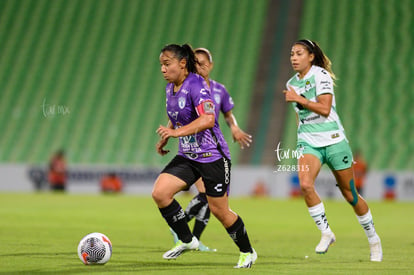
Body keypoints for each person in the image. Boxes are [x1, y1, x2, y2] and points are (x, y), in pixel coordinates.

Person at [154, 43, 257, 268]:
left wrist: (175, 132)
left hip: (212, 157)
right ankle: (188, 240)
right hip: (189, 156)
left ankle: (247, 251)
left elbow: (208, 119)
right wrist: (167, 135)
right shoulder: (169, 87)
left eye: (167, 64)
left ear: (182, 64)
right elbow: (177, 114)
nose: (162, 69)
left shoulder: (197, 84)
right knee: (160, 193)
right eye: (161, 64)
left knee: (220, 211)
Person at [282, 39, 382, 262]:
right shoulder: (291, 83)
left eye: (299, 54)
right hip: (309, 142)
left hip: (334, 140)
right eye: (292, 54)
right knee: (306, 185)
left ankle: (374, 239)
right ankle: (326, 232)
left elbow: (325, 109)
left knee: (350, 194)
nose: (294, 58)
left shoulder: (321, 76)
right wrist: (301, 135)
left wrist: (299, 99)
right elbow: (299, 116)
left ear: (311, 56)